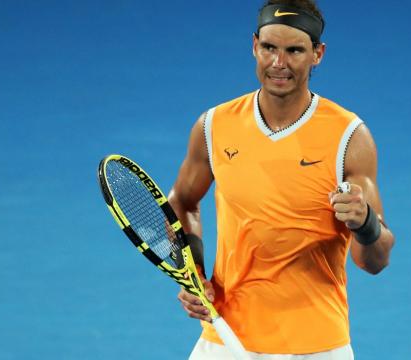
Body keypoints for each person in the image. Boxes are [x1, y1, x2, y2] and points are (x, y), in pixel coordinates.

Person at [168, 0, 395, 358]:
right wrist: (193, 272)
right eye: (270, 48)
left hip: (315, 345)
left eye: (294, 51)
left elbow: (375, 261)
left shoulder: (349, 137)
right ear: (254, 45)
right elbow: (182, 202)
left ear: (317, 54)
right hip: (225, 338)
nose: (279, 63)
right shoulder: (213, 126)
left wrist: (365, 223)